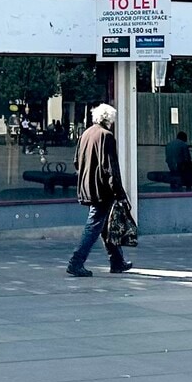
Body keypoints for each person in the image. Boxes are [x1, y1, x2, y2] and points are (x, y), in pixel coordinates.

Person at [66, 102, 131, 277]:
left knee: (104, 225)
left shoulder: (86, 134)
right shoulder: (106, 136)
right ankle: (76, 262)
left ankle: (117, 261)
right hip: (102, 190)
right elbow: (111, 168)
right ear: (109, 119)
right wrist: (120, 193)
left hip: (88, 187)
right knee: (94, 225)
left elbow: (76, 162)